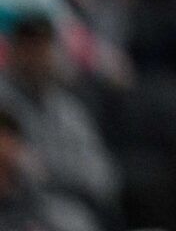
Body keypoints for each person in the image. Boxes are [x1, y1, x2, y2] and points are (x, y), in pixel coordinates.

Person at [0, 16, 117, 221]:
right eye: (27, 47)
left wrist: (49, 170)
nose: (35, 57)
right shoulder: (4, 102)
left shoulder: (69, 110)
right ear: (14, 51)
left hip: (67, 211)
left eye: (41, 48)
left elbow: (103, 179)